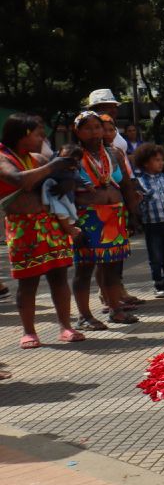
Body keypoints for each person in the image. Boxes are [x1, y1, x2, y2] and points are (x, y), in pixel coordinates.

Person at [0, 113, 81, 351]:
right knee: (28, 281)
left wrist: (68, 181)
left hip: (50, 224)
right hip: (22, 227)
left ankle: (65, 326)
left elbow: (66, 173)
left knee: (58, 276)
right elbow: (18, 180)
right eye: (38, 134)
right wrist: (53, 166)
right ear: (24, 134)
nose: (42, 139)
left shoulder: (36, 157)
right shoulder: (4, 158)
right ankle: (29, 331)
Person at [71, 111, 137, 328]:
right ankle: (84, 316)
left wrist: (133, 214)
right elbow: (62, 191)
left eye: (97, 127)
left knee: (111, 267)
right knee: (85, 268)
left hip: (115, 215)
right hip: (87, 217)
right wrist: (71, 226)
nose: (94, 132)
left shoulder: (114, 153)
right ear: (77, 132)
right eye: (88, 128)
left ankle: (115, 310)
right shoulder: (71, 155)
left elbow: (126, 185)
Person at [133, 143, 164, 298]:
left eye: (161, 160)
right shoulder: (139, 181)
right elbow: (139, 202)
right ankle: (158, 284)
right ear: (146, 163)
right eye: (156, 160)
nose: (160, 163)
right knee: (156, 256)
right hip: (152, 223)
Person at [42, 144, 83, 240]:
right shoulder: (52, 164)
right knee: (62, 212)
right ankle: (68, 228)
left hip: (66, 195)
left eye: (69, 160)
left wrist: (76, 182)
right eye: (63, 158)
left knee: (70, 212)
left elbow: (79, 180)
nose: (64, 162)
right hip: (53, 192)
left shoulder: (74, 170)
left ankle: (70, 228)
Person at [87, 89, 130, 153]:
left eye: (115, 107)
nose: (114, 110)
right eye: (108, 107)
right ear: (96, 110)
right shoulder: (93, 133)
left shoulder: (112, 126)